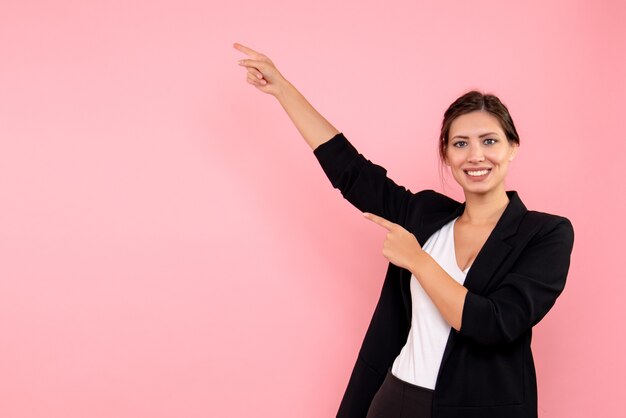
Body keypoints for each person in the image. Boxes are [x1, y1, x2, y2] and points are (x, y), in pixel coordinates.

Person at [233, 42, 575, 418]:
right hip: (396, 398)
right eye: (460, 144)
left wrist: (418, 261)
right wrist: (283, 89)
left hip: (479, 409)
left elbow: (496, 323)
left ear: (513, 147)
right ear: (446, 154)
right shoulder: (426, 214)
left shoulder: (546, 233)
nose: (476, 155)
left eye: (489, 141)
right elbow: (352, 173)